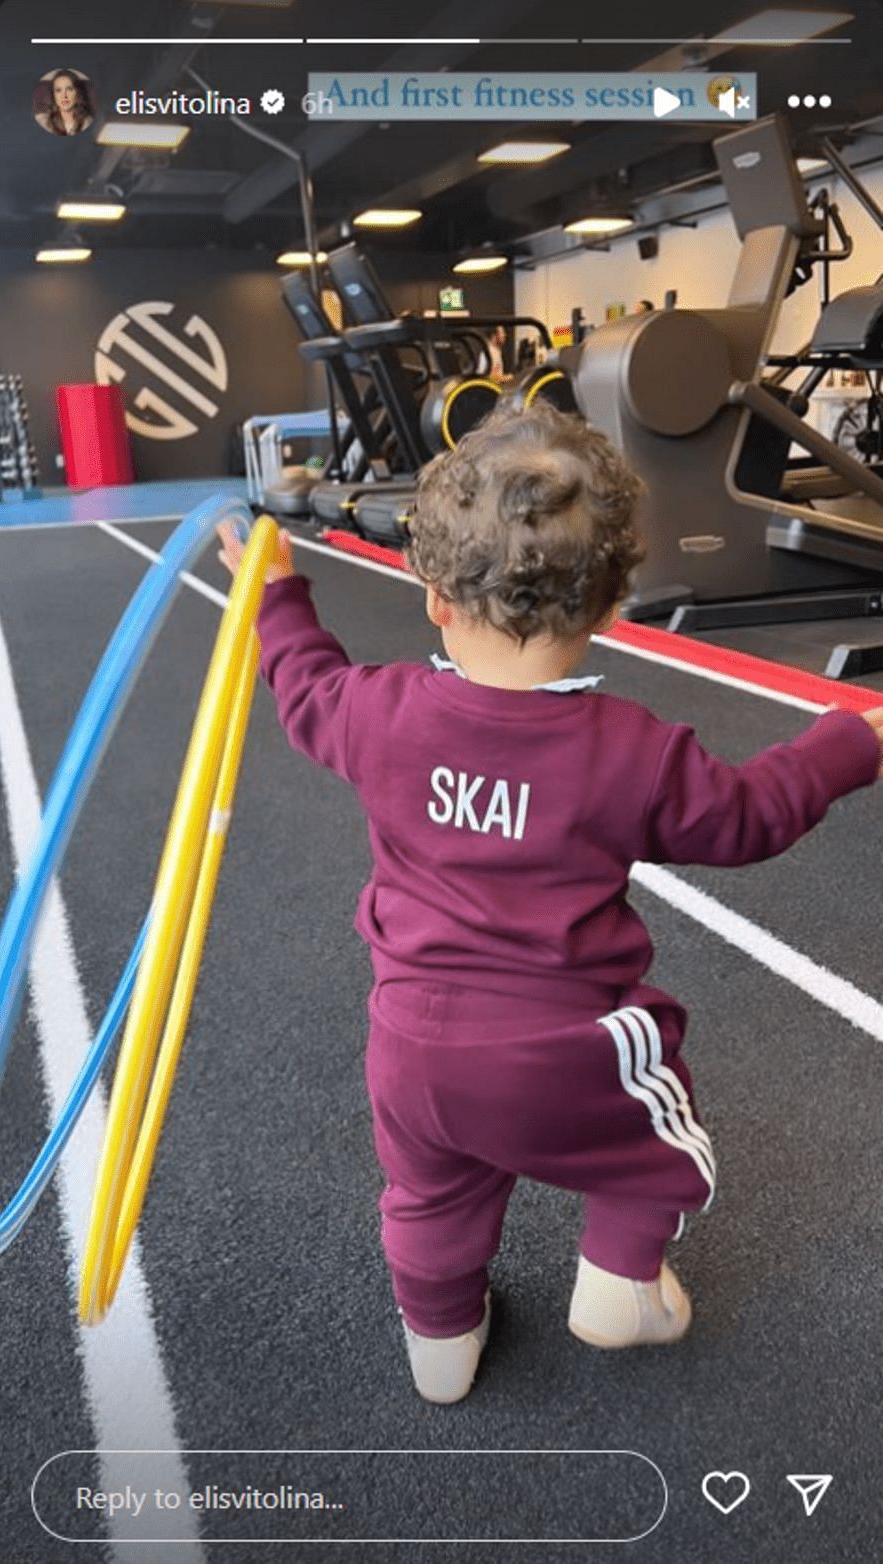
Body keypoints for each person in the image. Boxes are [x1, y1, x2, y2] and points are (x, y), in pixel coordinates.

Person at [217, 402, 883, 1405]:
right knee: (656, 1142)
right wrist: (851, 739)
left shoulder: (381, 714)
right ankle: (619, 1279)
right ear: (615, 603)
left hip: (409, 1048)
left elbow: (305, 686)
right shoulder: (633, 751)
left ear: (433, 594)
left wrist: (278, 598)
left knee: (429, 1195)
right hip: (562, 1053)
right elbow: (752, 816)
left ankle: (441, 1340)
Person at [39, 70, 93, 136]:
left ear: (78, 93)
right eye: (58, 90)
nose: (64, 96)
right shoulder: (43, 121)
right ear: (53, 95)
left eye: (69, 89)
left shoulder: (87, 122)